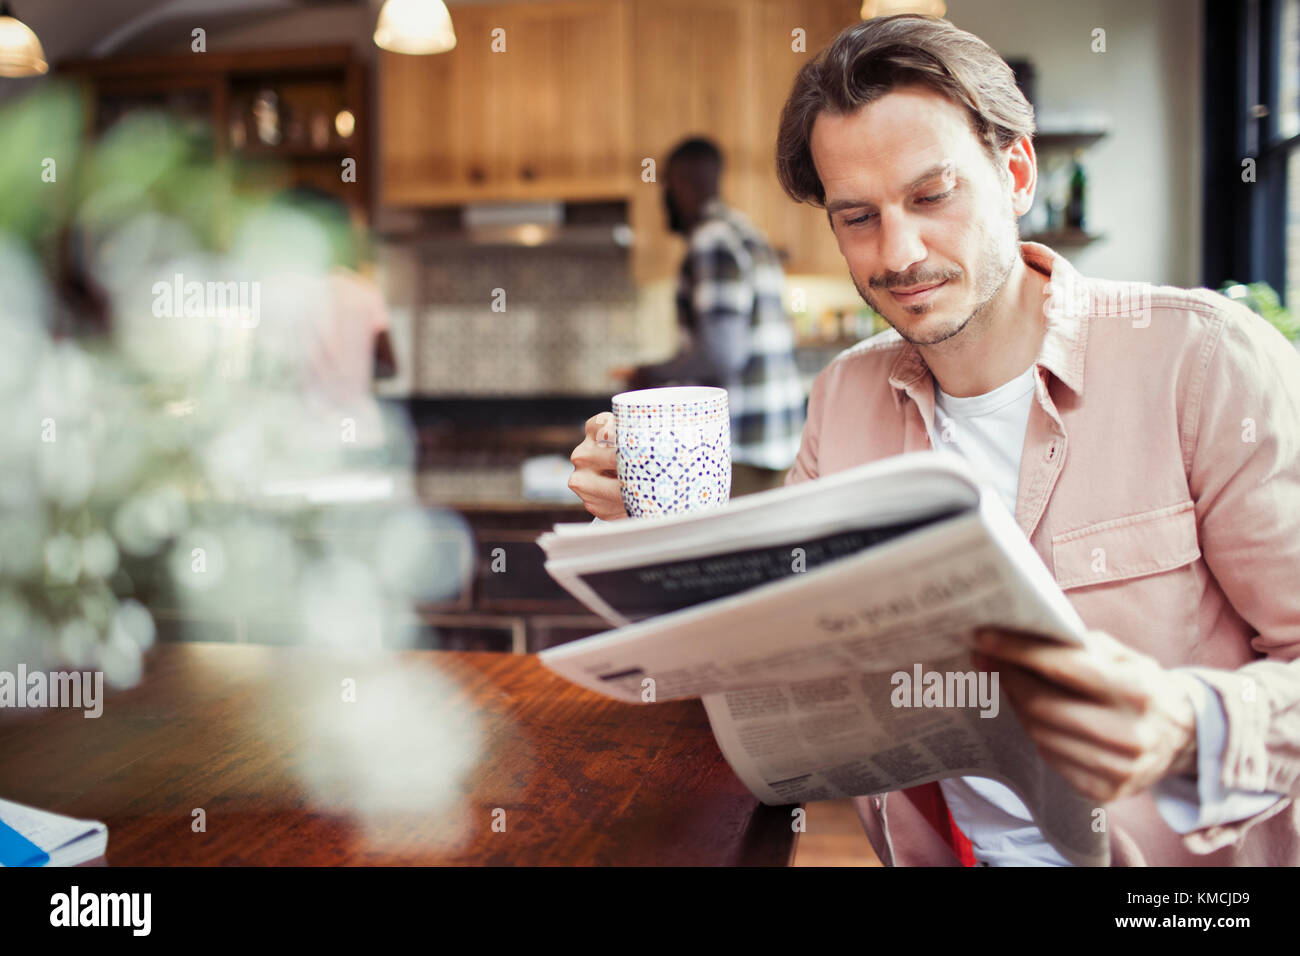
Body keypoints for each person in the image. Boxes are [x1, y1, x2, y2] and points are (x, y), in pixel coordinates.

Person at [569, 14, 1300, 866]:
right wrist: (655, 537)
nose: (900, 252)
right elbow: (780, 674)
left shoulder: (1203, 359)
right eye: (858, 217)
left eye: (931, 196)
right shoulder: (844, 399)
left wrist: (1187, 724)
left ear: (1016, 170)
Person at [610, 137, 805, 496]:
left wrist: (646, 376)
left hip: (740, 447)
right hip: (776, 438)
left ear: (684, 183)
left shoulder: (711, 240)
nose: (663, 199)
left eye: (665, 186)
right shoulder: (748, 233)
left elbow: (721, 354)